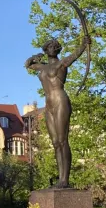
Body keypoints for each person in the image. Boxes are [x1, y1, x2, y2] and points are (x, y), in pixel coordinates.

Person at [24, 36, 88, 188]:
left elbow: (76, 54)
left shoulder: (62, 63)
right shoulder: (42, 67)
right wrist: (34, 57)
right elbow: (27, 65)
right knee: (55, 143)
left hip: (60, 100)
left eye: (53, 46)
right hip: (48, 104)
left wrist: (84, 44)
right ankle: (61, 179)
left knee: (62, 140)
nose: (50, 49)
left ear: (58, 49)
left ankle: (65, 179)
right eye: (47, 47)